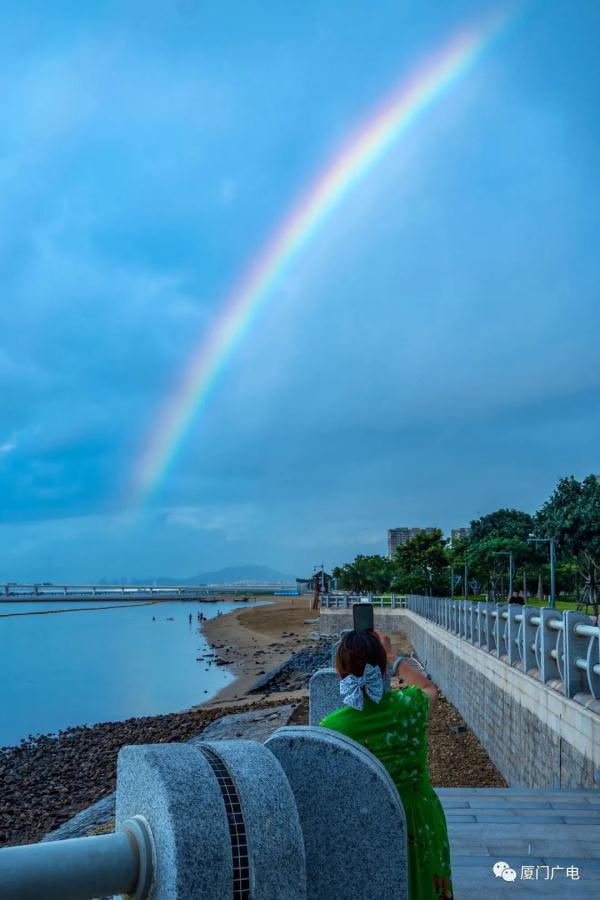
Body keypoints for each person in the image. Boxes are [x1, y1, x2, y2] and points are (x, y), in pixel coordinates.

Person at [319, 628, 453, 899]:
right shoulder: (410, 706)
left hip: (368, 820)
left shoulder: (332, 727)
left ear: (341, 673)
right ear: (382, 667)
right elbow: (429, 688)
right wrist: (395, 659)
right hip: (419, 817)